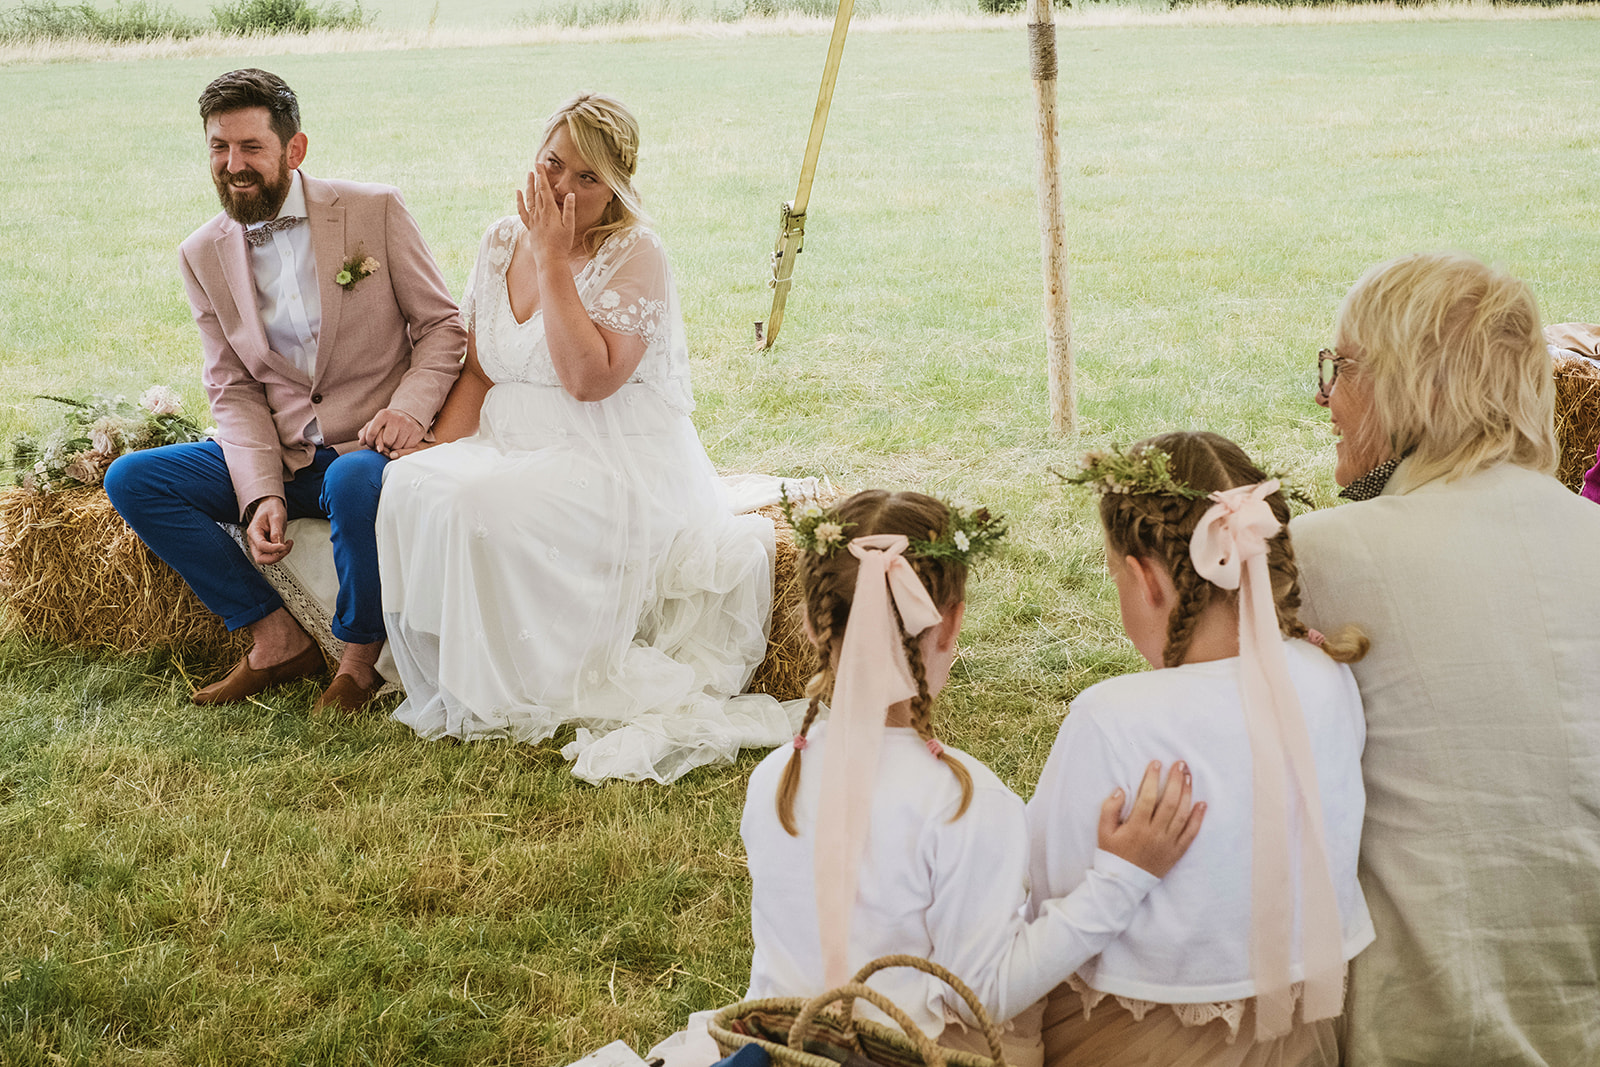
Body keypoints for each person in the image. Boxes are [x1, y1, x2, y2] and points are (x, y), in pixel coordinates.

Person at [669, 489, 1201, 1067]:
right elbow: (983, 997)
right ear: (950, 624)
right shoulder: (965, 800)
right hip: (891, 1055)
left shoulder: (776, 776)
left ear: (811, 625)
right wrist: (1117, 884)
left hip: (774, 1047)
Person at [377, 93, 789, 784]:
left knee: (477, 504)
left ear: (617, 185)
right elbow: (479, 368)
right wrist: (439, 445)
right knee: (414, 482)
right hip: (510, 442)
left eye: (588, 176)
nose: (564, 187)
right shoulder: (499, 239)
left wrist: (552, 259)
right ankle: (463, 669)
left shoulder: (637, 251)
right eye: (553, 164)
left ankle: (525, 681)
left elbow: (587, 379)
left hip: (610, 459)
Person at [1291, 252, 1600, 1066]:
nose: (1324, 397)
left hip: (1416, 1029)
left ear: (1406, 383)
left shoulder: (1323, 553)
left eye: (1339, 368)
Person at [104, 68, 465, 714]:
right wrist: (260, 490)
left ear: (294, 150)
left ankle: (358, 662)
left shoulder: (375, 209)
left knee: (351, 483)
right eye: (219, 147)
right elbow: (233, 387)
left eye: (251, 147)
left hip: (370, 449)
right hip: (286, 454)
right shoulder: (201, 253)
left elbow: (442, 327)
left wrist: (409, 410)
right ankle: (275, 638)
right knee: (134, 479)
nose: (232, 165)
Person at [1030, 433, 1374, 1067]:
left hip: (1141, 1032)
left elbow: (1046, 897)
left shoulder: (1112, 717)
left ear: (1144, 579)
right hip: (1300, 1029)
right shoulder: (1327, 676)